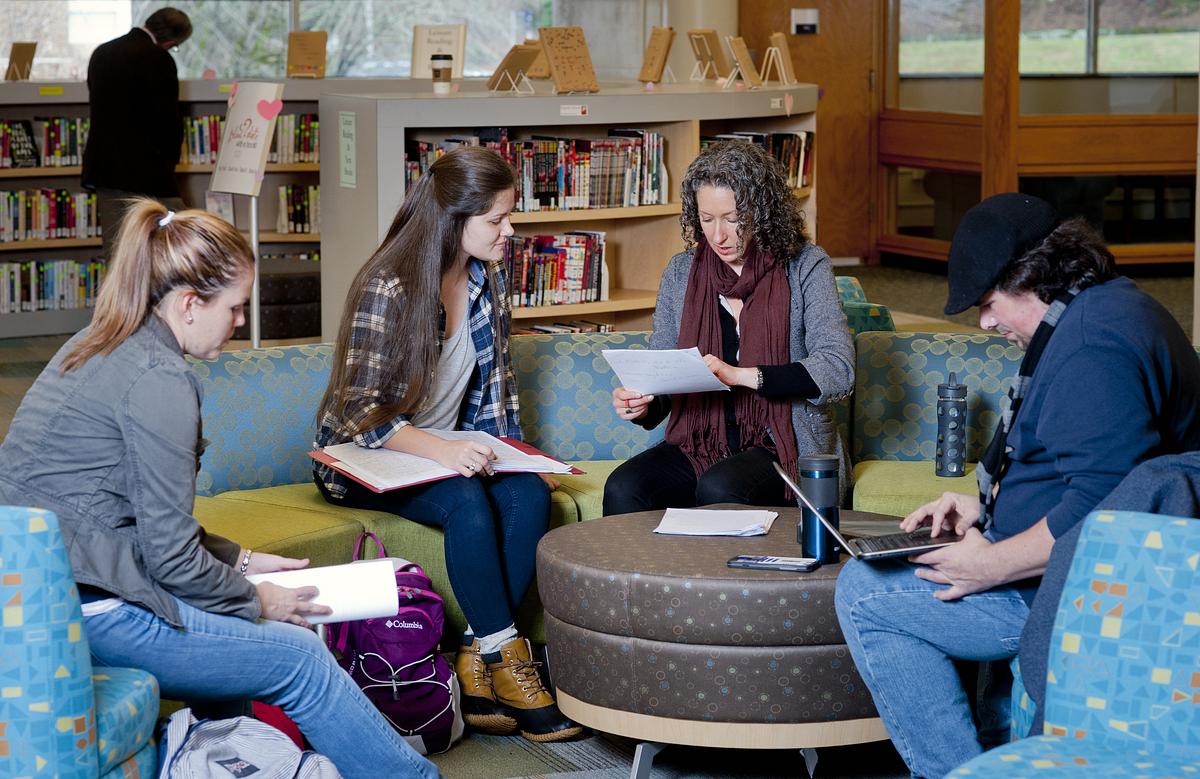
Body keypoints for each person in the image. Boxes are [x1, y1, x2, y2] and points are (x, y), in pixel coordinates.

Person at [0, 200, 439, 779]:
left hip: (41, 600)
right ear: (188, 304)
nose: (240, 322)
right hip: (94, 607)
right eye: (233, 308)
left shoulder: (99, 342)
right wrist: (260, 598)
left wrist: (244, 561)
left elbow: (131, 521)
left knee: (237, 654)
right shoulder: (160, 381)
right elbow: (169, 556)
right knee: (300, 659)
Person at [834, 193, 1200, 778]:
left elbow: (1101, 513)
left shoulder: (1090, 351)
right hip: (1056, 565)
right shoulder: (1105, 309)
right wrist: (983, 503)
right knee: (880, 567)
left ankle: (956, 770)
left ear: (1034, 278)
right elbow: (1082, 463)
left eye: (988, 303)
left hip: (1070, 593)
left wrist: (993, 564)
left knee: (864, 593)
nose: (985, 322)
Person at [314, 146, 581, 743]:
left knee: (528, 498)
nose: (509, 231)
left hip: (449, 448)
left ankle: (474, 655)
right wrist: (441, 452)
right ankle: (511, 662)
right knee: (465, 500)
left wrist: (519, 460)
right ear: (452, 220)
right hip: (368, 455)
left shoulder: (488, 280)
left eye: (509, 216)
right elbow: (358, 414)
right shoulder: (388, 285)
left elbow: (497, 396)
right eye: (496, 220)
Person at [602, 140, 854, 515]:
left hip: (784, 442)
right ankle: (639, 577)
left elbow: (838, 370)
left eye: (733, 219)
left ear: (764, 211)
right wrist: (643, 405)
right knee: (624, 487)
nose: (718, 236)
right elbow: (666, 378)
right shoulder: (681, 272)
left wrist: (740, 376)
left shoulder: (805, 265)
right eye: (706, 219)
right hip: (699, 440)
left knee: (721, 485)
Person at [82, 7, 191, 260]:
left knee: (117, 252)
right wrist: (170, 164)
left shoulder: (102, 53)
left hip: (105, 170)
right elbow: (167, 121)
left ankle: (117, 301)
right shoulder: (159, 59)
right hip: (147, 173)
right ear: (170, 41)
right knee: (168, 247)